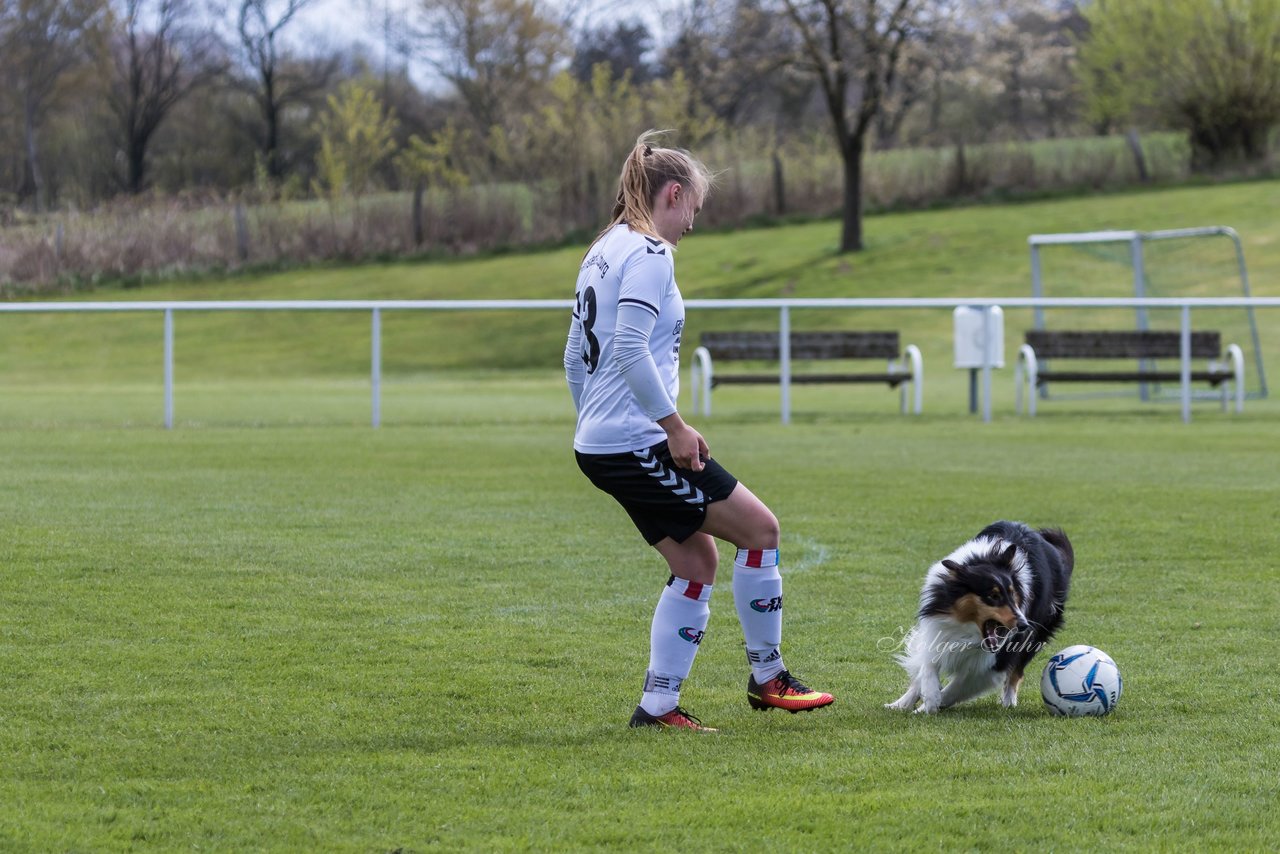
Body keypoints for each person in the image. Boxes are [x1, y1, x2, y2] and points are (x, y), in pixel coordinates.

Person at [564, 131, 835, 731]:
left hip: (607, 442)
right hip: (638, 442)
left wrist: (592, 424)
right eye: (694, 210)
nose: (693, 223)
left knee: (697, 565)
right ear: (675, 194)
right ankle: (769, 677)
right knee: (761, 530)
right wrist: (675, 429)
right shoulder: (651, 255)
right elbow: (631, 348)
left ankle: (658, 708)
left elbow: (571, 356)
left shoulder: (605, 247)